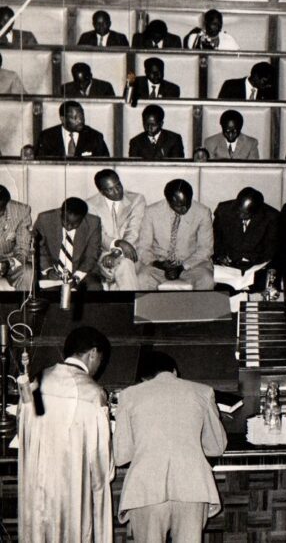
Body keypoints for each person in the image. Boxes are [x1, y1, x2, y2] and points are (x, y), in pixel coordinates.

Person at [114, 351, 227, 543]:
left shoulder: (128, 396)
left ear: (144, 378)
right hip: (192, 488)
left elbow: (121, 455)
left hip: (146, 490)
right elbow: (216, 446)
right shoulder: (203, 391)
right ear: (174, 371)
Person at [18, 326, 114, 543]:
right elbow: (101, 460)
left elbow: (22, 428)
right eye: (100, 359)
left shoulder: (36, 381)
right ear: (93, 353)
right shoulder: (92, 393)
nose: (99, 366)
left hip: (36, 482)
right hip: (72, 488)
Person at [136, 179, 215, 290]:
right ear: (168, 201)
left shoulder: (203, 212)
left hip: (191, 265)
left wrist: (182, 267)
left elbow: (206, 249)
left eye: (187, 204)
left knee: (206, 279)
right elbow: (143, 247)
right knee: (142, 279)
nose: (184, 209)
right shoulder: (151, 212)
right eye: (178, 205)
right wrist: (160, 264)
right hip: (158, 265)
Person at [86, 169, 145, 291]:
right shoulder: (91, 205)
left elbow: (133, 230)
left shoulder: (137, 200)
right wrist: (118, 243)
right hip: (104, 256)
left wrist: (117, 252)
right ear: (102, 192)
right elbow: (99, 235)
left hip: (132, 254)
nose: (117, 191)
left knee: (124, 264)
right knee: (121, 270)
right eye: (110, 189)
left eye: (118, 185)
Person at [34, 197, 103, 290]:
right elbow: (38, 248)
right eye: (66, 222)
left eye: (75, 224)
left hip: (83, 271)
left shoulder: (93, 223)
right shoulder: (44, 219)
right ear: (60, 213)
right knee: (49, 295)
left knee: (94, 288)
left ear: (83, 218)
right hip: (53, 271)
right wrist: (48, 270)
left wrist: (77, 277)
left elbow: (91, 255)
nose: (69, 227)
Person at [213, 187, 279, 270]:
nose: (240, 215)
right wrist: (220, 255)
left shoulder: (271, 217)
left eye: (245, 213)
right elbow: (216, 238)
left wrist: (257, 264)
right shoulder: (223, 210)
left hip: (256, 265)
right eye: (239, 210)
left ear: (256, 211)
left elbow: (271, 249)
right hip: (228, 264)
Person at [37, 100, 111, 158]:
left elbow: (104, 164)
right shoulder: (46, 137)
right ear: (63, 119)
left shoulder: (95, 137)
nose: (80, 120)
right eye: (75, 117)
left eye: (81, 116)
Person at [0, 185, 33, 291]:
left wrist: (8, 264)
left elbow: (22, 250)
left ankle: (23, 307)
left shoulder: (22, 211)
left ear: (6, 204)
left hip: (9, 261)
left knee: (27, 272)